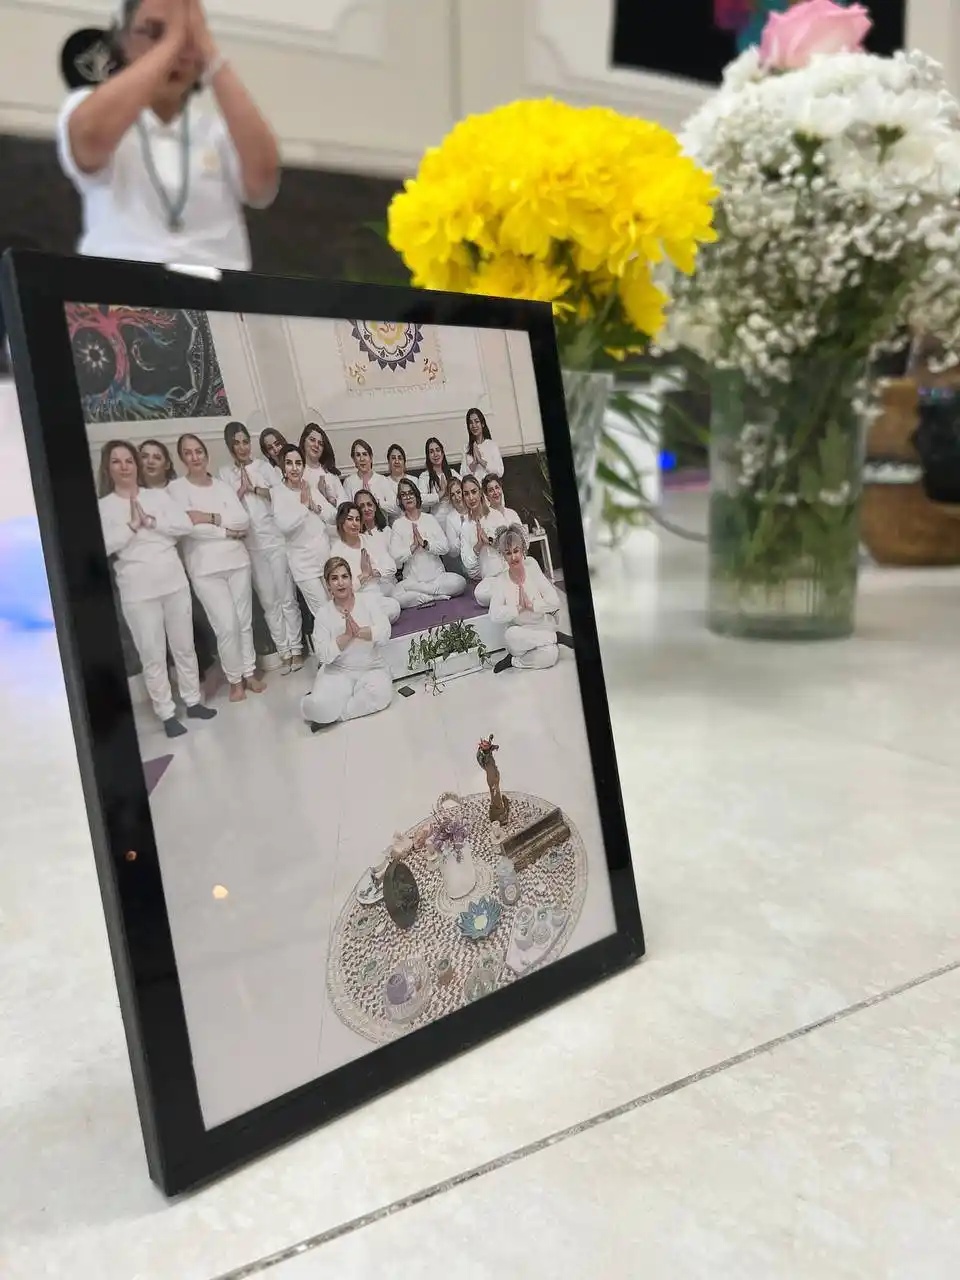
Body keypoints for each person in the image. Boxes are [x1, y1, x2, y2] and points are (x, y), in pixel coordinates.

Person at [57, 0, 279, 270]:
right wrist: (171, 42)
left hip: (217, 286)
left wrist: (210, 53)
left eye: (189, 37)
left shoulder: (217, 130)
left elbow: (263, 187)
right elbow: (90, 139)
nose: (178, 53)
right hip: (120, 284)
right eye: (153, 32)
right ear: (123, 41)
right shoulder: (88, 105)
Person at [97, 439, 216, 736]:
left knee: (184, 646)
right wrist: (131, 526)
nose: (124, 466)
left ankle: (193, 700)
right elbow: (104, 546)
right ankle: (166, 713)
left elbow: (184, 525)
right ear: (108, 468)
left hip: (173, 582)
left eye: (129, 460)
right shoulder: (104, 507)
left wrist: (152, 522)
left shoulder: (158, 497)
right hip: (138, 592)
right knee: (152, 654)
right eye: (117, 461)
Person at [168, 432, 264, 702]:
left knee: (244, 621)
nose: (195, 457)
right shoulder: (176, 490)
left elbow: (242, 520)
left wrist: (209, 517)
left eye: (198, 451)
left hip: (238, 562)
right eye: (188, 453)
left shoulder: (221, 486)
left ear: (206, 454)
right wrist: (227, 531)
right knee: (226, 625)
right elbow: (188, 527)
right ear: (182, 458)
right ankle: (234, 679)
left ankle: (249, 673)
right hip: (205, 570)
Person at [219, 420, 302, 674]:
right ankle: (284, 652)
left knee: (287, 598)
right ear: (230, 446)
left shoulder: (264, 467)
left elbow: (279, 497)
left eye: (245, 441)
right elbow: (225, 507)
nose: (242, 447)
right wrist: (239, 491)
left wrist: (253, 488)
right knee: (269, 602)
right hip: (251, 547)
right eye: (237, 443)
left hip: (276, 541)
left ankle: (297, 649)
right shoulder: (225, 474)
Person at [301, 557, 393, 729]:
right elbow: (323, 655)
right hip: (338, 671)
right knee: (317, 706)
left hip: (371, 668)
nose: (340, 582)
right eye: (334, 578)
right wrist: (346, 637)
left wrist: (360, 632)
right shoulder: (323, 615)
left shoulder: (368, 601)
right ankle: (320, 705)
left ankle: (335, 716)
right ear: (328, 585)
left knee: (381, 694)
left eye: (344, 576)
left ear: (351, 579)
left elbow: (385, 631)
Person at [487, 525, 572, 673]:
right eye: (508, 553)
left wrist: (533, 605)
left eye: (516, 551)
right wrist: (517, 609)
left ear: (523, 551)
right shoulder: (501, 580)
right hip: (521, 633)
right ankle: (556, 637)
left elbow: (554, 601)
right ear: (503, 556)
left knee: (550, 656)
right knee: (510, 635)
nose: (513, 557)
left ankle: (513, 661)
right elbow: (493, 614)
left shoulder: (533, 571)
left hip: (541, 627)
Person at [269, 444, 332, 620]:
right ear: (283, 466)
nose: (294, 468)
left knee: (338, 610)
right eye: (289, 463)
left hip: (326, 560)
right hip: (304, 567)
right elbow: (284, 526)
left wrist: (316, 508)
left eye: (298, 463)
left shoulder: (308, 486)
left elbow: (332, 516)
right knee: (324, 616)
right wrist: (304, 506)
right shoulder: (277, 493)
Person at [388, 478, 465, 609]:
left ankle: (424, 596)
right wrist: (412, 548)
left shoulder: (430, 519)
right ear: (400, 500)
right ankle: (434, 596)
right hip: (413, 581)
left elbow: (445, 547)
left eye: (411, 493)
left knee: (460, 582)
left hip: (437, 578)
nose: (408, 497)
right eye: (403, 495)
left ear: (416, 496)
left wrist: (426, 544)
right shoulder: (398, 524)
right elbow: (395, 557)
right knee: (395, 596)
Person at [330, 501, 401, 623]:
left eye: (357, 519)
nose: (354, 523)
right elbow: (340, 588)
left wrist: (373, 572)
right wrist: (363, 576)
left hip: (377, 594)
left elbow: (391, 566)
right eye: (350, 519)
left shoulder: (368, 540)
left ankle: (369, 625)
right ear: (341, 522)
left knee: (394, 607)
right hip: (355, 600)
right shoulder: (337, 551)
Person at [459, 474, 511, 606]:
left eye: (474, 492)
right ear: (463, 498)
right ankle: (512, 594)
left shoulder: (495, 515)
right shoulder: (466, 526)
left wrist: (490, 542)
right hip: (489, 580)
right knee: (480, 594)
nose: (471, 498)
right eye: (466, 494)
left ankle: (508, 594)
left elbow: (510, 545)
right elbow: (468, 563)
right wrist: (478, 545)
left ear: (480, 492)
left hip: (506, 571)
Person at [345, 437, 399, 516]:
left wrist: (377, 503)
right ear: (354, 459)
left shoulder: (382, 480)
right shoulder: (349, 482)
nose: (362, 459)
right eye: (358, 455)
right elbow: (347, 511)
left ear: (371, 457)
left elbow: (396, 509)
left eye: (365, 454)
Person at [299, 424, 345, 515]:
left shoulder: (330, 473)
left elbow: (345, 504)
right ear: (303, 441)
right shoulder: (297, 472)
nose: (316, 445)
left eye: (320, 444)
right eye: (312, 440)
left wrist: (330, 499)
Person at [418, 435, 457, 526]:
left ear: (442, 453)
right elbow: (420, 499)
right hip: (436, 521)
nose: (435, 454)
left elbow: (464, 487)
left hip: (455, 517)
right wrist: (440, 494)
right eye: (431, 452)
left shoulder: (452, 472)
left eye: (438, 450)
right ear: (428, 456)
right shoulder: (424, 476)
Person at [462, 407, 503, 483]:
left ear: (482, 424)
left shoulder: (492, 445)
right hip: (475, 488)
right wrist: (474, 462)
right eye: (470, 423)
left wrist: (481, 461)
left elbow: (500, 472)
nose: (474, 425)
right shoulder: (466, 447)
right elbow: (463, 475)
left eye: (476, 421)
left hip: (490, 487)